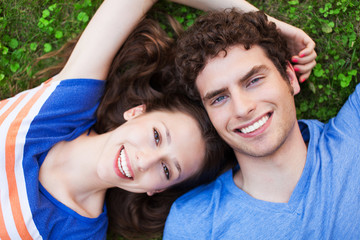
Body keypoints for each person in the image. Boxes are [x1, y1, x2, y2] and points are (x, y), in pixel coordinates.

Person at [0, 0, 232, 239]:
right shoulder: (67, 105)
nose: (144, 161)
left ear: (158, 189)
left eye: (166, 169)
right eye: (156, 136)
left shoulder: (79, 234)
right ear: (137, 112)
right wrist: (267, 27)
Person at [163, 9, 360, 240]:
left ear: (290, 78)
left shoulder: (354, 130)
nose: (242, 108)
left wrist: (271, 24)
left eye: (254, 80)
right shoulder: (194, 223)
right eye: (219, 98)